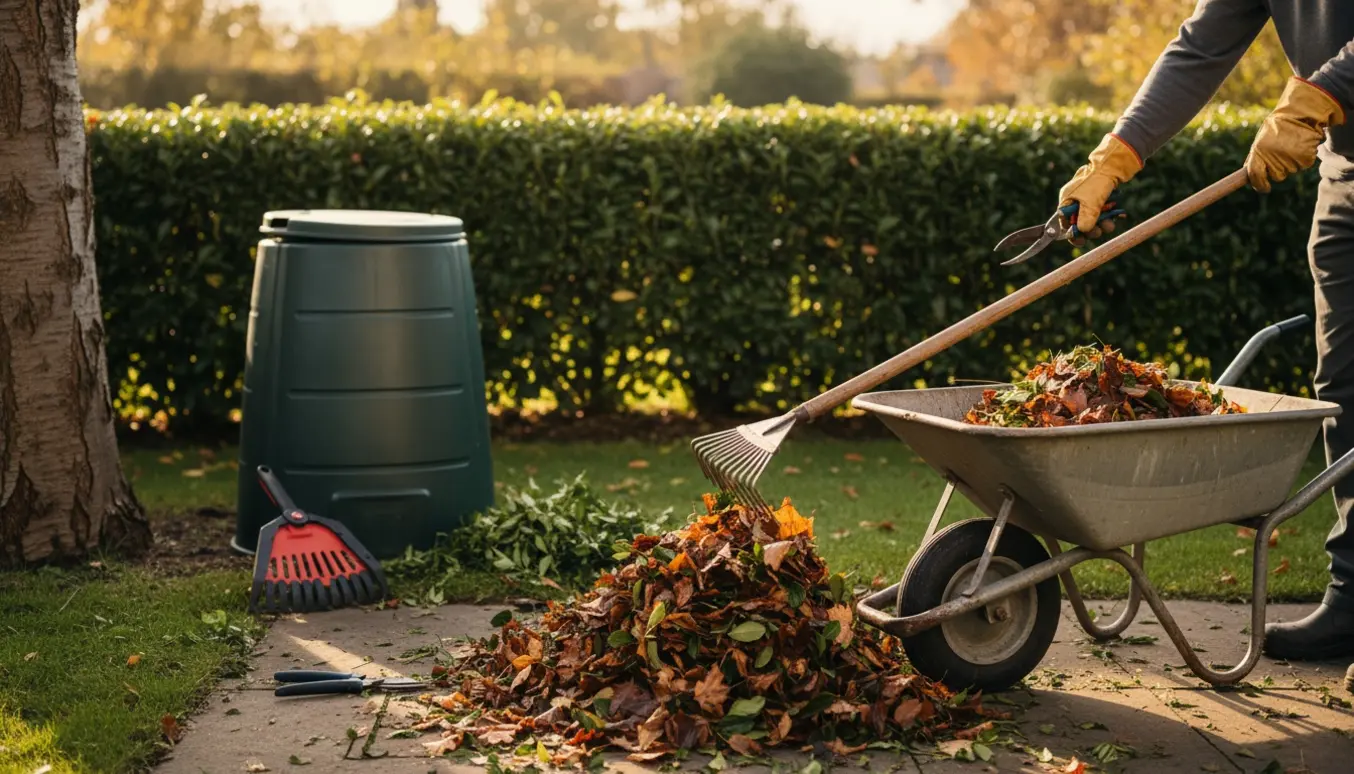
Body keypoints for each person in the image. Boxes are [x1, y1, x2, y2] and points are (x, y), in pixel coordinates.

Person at [1052, 1, 1354, 691]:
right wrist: (1114, 158)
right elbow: (1200, 48)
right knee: (1345, 388)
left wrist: (1327, 89)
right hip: (1348, 171)